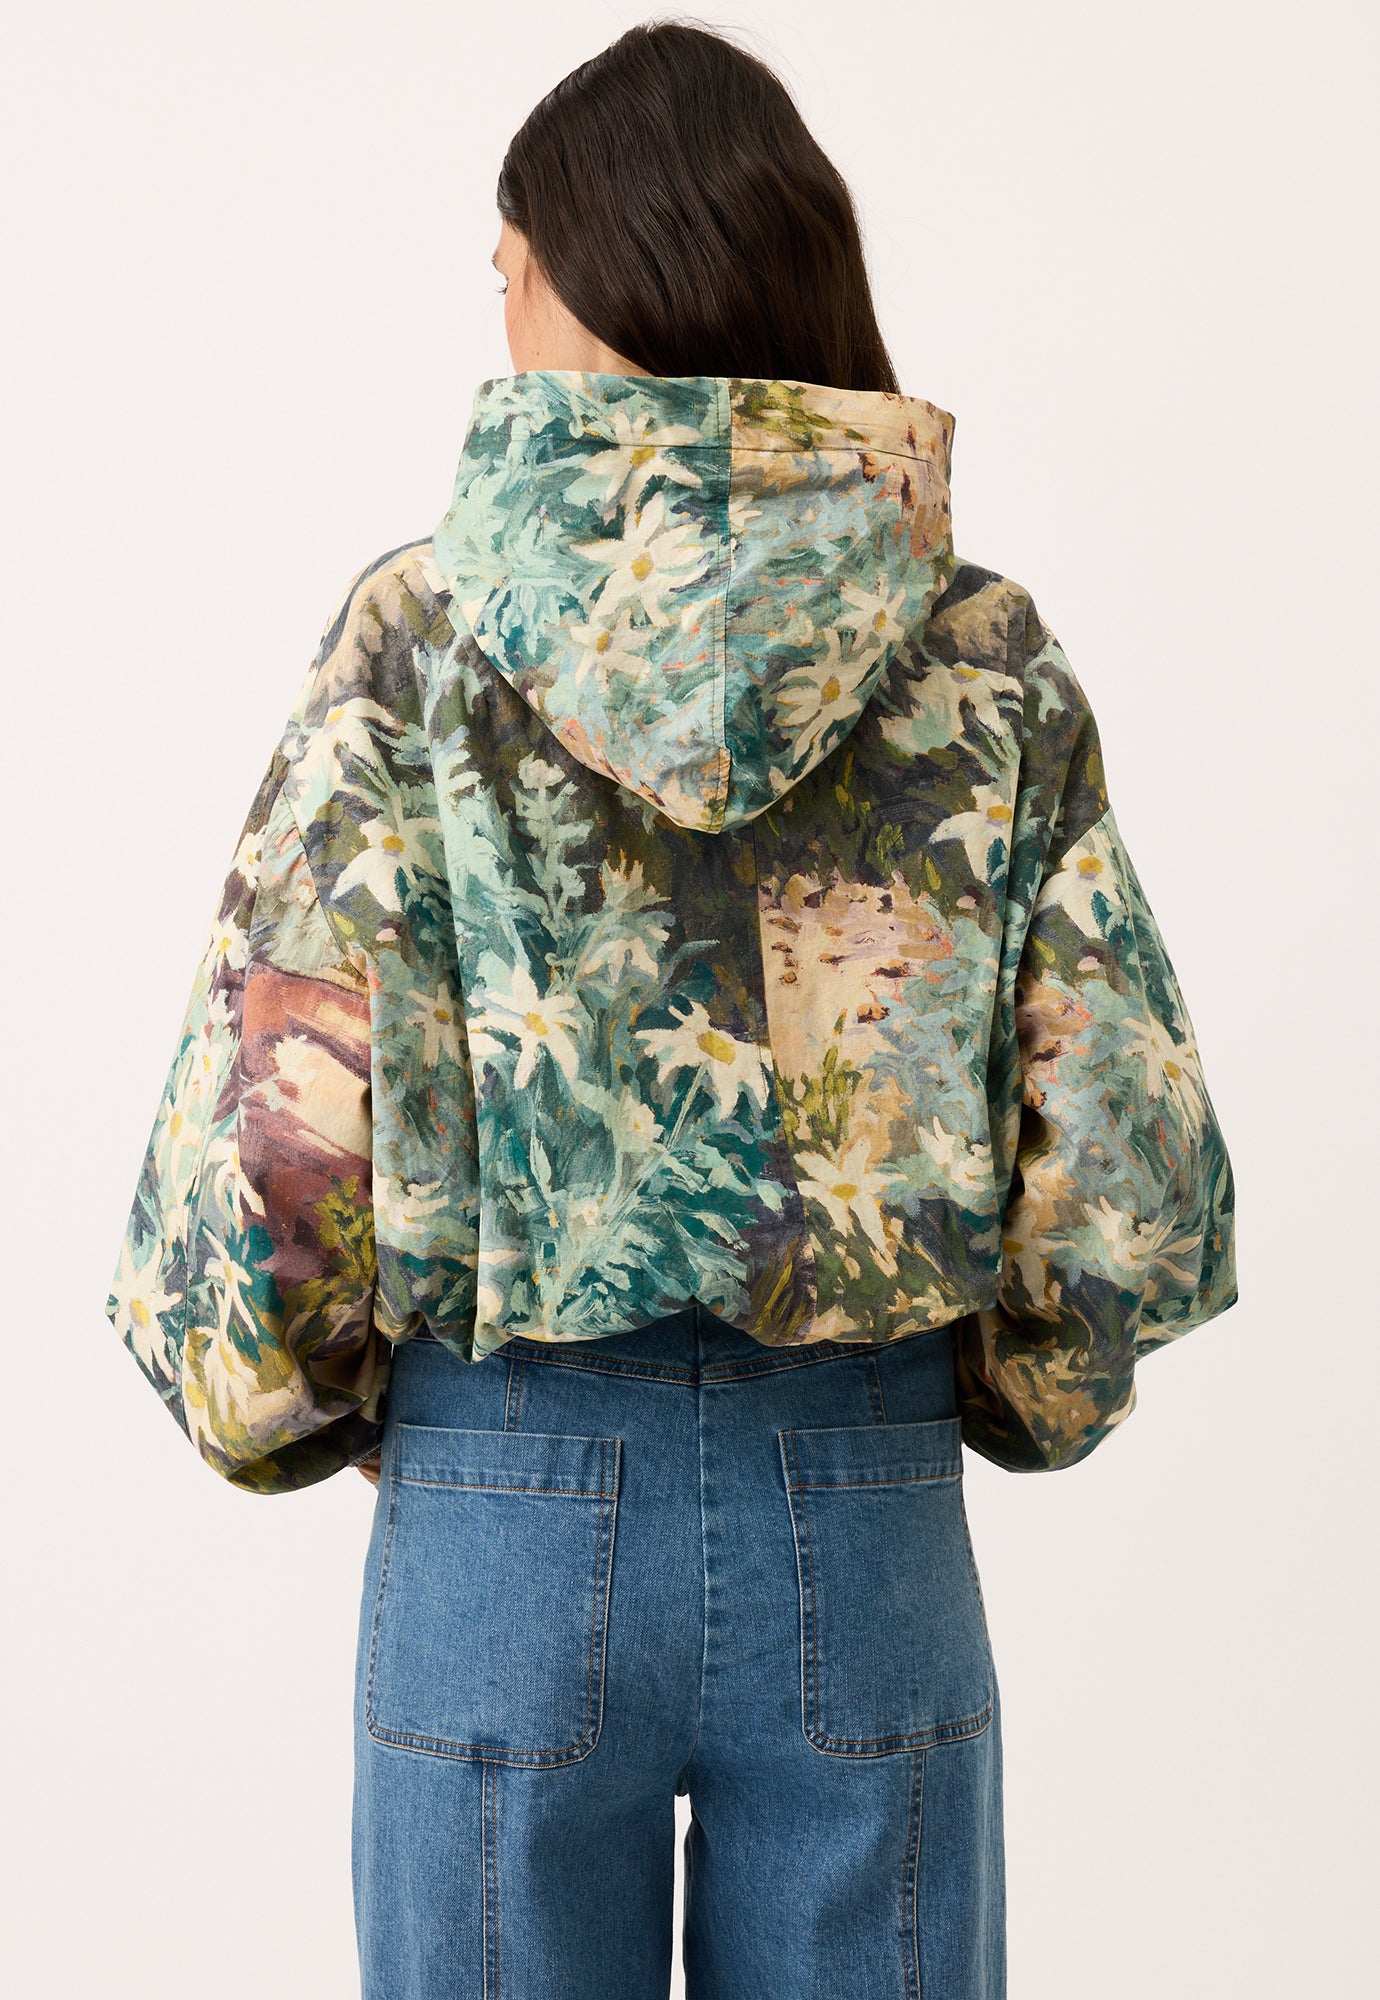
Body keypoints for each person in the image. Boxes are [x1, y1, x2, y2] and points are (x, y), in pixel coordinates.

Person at [104, 20, 1238, 1999]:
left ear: (590, 271)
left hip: (501, 1508)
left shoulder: (415, 637)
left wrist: (296, 1411)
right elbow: (1124, 1155)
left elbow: (289, 1133)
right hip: (863, 1513)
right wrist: (1013, 1395)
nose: (497, 308)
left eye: (508, 266)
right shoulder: (983, 655)